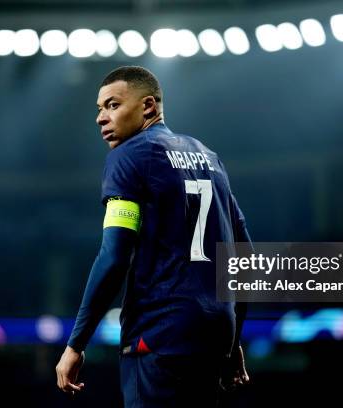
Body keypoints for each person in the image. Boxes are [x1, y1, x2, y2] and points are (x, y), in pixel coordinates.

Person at [56, 66, 251, 407]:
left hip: (159, 335)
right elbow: (245, 258)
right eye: (100, 109)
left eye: (112, 105)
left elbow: (114, 256)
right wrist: (233, 341)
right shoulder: (210, 158)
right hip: (214, 337)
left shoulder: (128, 157)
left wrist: (76, 343)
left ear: (148, 106)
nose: (101, 118)